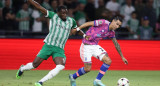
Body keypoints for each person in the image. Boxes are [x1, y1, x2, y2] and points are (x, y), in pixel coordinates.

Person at [16, 0, 77, 86]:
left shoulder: (71, 21)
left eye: (65, 13)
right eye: (62, 13)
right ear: (58, 13)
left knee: (61, 66)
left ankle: (40, 82)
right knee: (34, 65)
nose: (64, 15)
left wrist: (85, 35)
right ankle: (22, 68)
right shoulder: (53, 16)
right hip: (48, 45)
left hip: (59, 49)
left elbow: (77, 29)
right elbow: (39, 6)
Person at [69, 16, 128, 86]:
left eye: (119, 25)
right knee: (87, 69)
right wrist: (78, 29)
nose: (117, 26)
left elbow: (116, 44)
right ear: (113, 21)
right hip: (85, 46)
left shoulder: (112, 32)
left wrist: (122, 56)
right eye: (117, 23)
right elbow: (89, 23)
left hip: (95, 46)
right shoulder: (103, 22)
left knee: (108, 61)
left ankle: (97, 80)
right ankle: (73, 77)